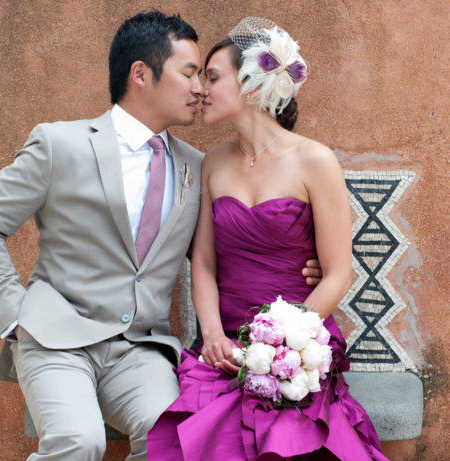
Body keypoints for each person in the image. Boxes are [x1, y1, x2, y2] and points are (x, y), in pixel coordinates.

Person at [0, 11, 322, 461]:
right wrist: (14, 317)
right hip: (56, 339)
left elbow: (222, 250)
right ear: (141, 74)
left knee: (172, 440)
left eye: (204, 77)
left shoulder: (197, 164)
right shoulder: (60, 144)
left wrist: (299, 258)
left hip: (142, 351)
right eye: (189, 73)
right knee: (78, 442)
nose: (200, 89)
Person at [147, 18, 387, 460]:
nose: (201, 89)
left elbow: (337, 273)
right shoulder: (213, 163)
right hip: (225, 342)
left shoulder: (315, 160)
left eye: (212, 78)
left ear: (252, 86)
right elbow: (202, 262)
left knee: (285, 434)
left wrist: (281, 343)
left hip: (297, 340)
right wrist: (214, 334)